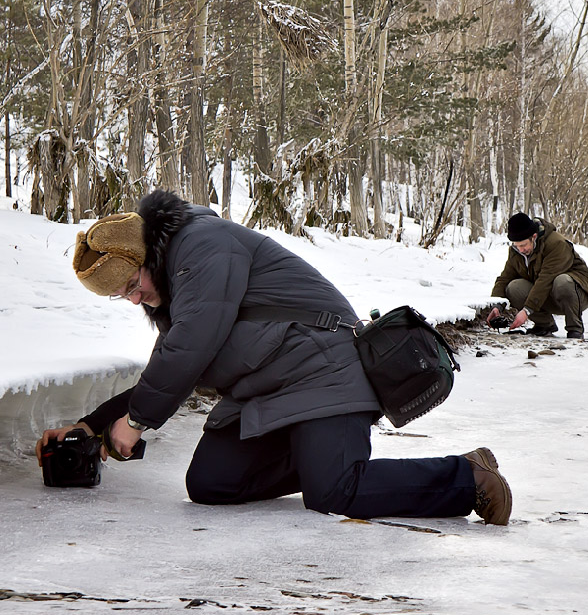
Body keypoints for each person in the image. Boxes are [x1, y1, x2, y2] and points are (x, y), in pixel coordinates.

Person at [35, 189, 512, 525]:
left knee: (334, 493)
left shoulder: (203, 245)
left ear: (146, 258)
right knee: (211, 483)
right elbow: (171, 368)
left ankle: (466, 477)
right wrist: (92, 426)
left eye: (131, 287)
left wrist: (135, 423)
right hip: (271, 390)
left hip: (325, 370)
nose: (134, 301)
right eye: (122, 297)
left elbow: (188, 350)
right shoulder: (180, 287)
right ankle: (318, 454)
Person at [487, 212, 588, 339]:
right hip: (547, 293)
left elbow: (546, 279)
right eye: (517, 246)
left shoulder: (556, 243)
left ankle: (575, 329)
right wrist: (497, 305)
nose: (521, 250)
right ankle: (545, 325)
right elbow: (505, 278)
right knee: (514, 287)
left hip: (578, 292)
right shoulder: (516, 251)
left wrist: (526, 311)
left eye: (523, 245)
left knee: (562, 281)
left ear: (534, 237)